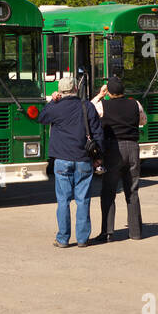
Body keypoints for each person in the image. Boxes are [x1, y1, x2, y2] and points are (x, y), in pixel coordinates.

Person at [36, 76, 103, 248]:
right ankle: (82, 239)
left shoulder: (56, 107)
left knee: (63, 201)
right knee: (83, 200)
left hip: (62, 160)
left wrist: (52, 100)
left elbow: (41, 118)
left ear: (60, 91)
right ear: (75, 89)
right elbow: (97, 133)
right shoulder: (86, 106)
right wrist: (98, 157)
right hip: (83, 160)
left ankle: (63, 239)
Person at [91, 77, 145, 242]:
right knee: (132, 191)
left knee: (109, 191)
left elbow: (88, 108)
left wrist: (100, 95)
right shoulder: (135, 104)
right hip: (133, 148)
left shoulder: (103, 105)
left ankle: (107, 233)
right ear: (123, 90)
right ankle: (135, 232)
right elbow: (143, 121)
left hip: (113, 149)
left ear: (109, 92)